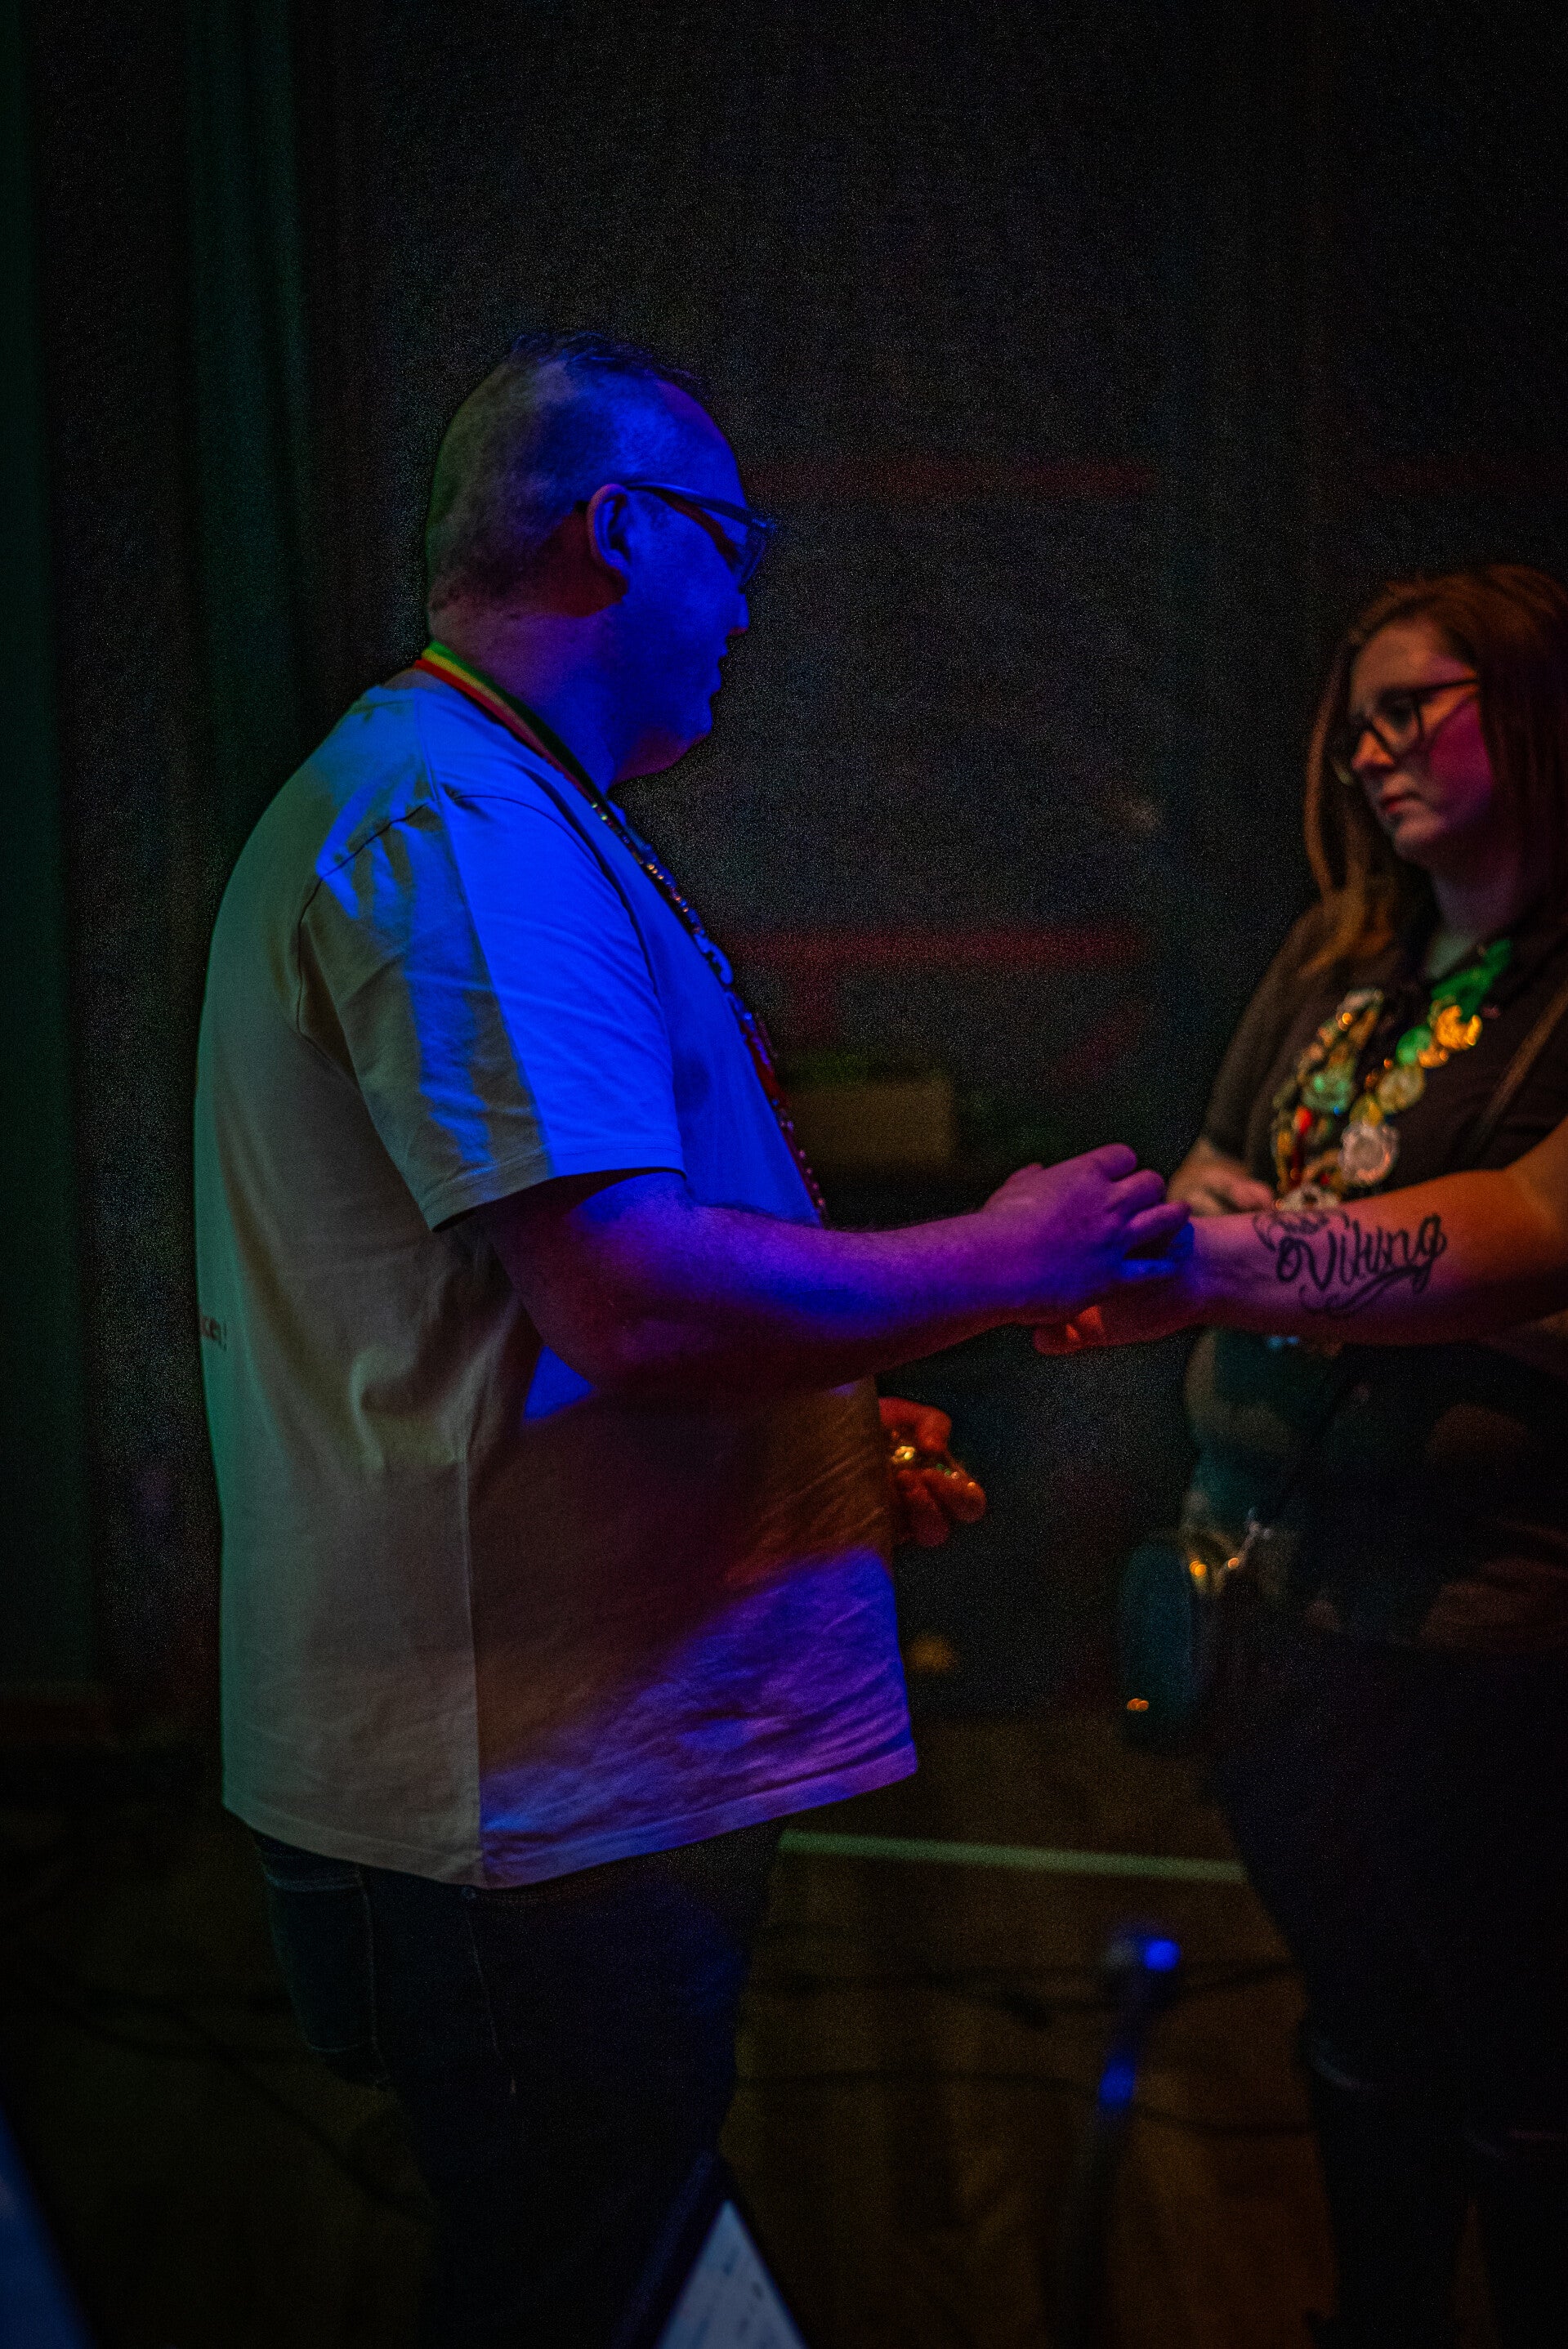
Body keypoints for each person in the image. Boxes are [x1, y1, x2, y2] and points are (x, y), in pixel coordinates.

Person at [192, 328, 1189, 2346]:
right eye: (735, 546)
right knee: (580, 2283)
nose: (747, 604)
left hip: (554, 1776)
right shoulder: (458, 822)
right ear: (625, 532)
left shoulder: (487, 800)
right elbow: (631, 1294)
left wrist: (807, 1434)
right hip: (534, 1798)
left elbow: (536, 1311)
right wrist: (1008, 1253)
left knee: (597, 2259)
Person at [1040, 564, 1568, 2347]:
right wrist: (1296, 1248)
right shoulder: (1339, 953)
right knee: (1357, 2026)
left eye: (1415, 706)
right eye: (1356, 721)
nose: (1368, 749)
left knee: (1527, 2069)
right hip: (1274, 1599)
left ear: (1539, 706)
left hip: (1485, 1639)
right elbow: (1209, 1168)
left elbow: (1518, 1228)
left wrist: (1240, 1255)